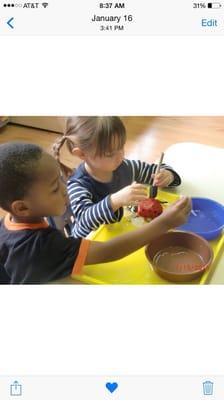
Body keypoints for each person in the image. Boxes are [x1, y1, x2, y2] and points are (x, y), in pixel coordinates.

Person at [0, 142, 191, 284]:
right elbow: (110, 251)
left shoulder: (9, 222)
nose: (65, 188)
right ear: (22, 208)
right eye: (54, 189)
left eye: (60, 179)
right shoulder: (40, 248)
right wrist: (164, 223)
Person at [53, 117, 182, 238]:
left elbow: (154, 170)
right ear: (82, 154)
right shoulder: (78, 185)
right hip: (90, 246)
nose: (120, 156)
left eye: (121, 147)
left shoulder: (124, 166)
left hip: (118, 235)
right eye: (110, 154)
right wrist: (114, 201)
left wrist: (167, 176)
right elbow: (83, 224)